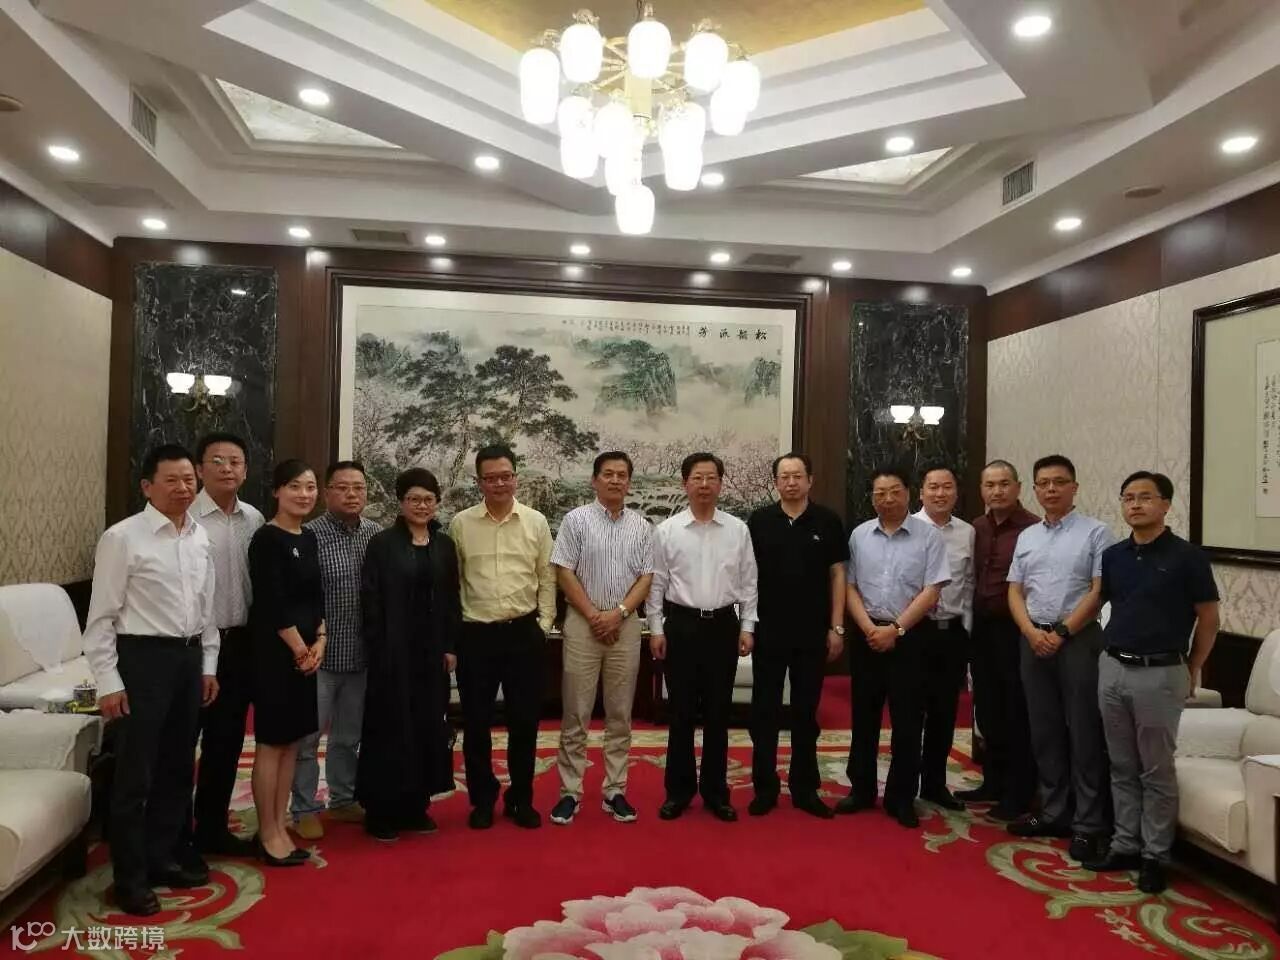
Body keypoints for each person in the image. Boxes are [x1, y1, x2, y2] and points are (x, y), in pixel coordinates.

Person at [83, 444, 220, 916]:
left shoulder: (199, 536)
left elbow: (207, 609)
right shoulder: (123, 538)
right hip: (142, 660)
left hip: (187, 658)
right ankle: (129, 877)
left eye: (189, 480)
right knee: (135, 774)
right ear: (147, 486)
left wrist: (208, 665)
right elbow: (101, 618)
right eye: (172, 480)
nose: (183, 488)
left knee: (178, 767)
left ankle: (162, 858)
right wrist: (108, 681)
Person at [1084, 471, 1220, 893]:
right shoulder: (1114, 555)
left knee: (1156, 769)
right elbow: (1104, 603)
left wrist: (1192, 667)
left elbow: (1209, 619)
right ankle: (1125, 844)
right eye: (1128, 497)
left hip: (1161, 671)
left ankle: (1155, 855)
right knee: (1121, 763)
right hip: (1113, 666)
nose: (1136, 504)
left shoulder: (1188, 557)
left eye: (1145, 497)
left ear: (1165, 505)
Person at [1006, 454, 1115, 863]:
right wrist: (1031, 632)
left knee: (1084, 730)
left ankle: (1088, 823)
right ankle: (1054, 811)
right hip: (1033, 639)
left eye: (1059, 482)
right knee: (1045, 728)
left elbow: (1099, 590)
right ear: (1034, 489)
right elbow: (1015, 590)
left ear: (1074, 487)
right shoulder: (1028, 536)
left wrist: (1063, 632)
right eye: (1044, 483)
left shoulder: (1096, 532)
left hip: (1079, 640)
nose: (1051, 489)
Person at [647, 452, 758, 823]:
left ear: (721, 484)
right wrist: (656, 629)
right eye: (697, 478)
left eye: (711, 478)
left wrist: (747, 627)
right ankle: (678, 792)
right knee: (680, 712)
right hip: (681, 626)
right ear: (685, 484)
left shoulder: (738, 530)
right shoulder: (668, 531)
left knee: (717, 713)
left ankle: (715, 793)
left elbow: (749, 583)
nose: (705, 485)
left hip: (723, 626)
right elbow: (657, 584)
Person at [450, 444, 556, 830]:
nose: (499, 483)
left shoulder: (535, 522)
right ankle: (482, 799)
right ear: (479, 481)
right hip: (476, 636)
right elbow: (454, 580)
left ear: (516, 478)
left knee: (524, 723)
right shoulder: (461, 523)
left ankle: (520, 799)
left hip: (523, 634)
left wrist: (543, 625)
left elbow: (547, 576)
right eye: (491, 478)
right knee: (476, 724)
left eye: (505, 476)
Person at [837, 466, 949, 829]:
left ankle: (901, 797)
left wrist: (896, 629)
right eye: (879, 493)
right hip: (868, 633)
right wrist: (869, 627)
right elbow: (849, 586)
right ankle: (861, 789)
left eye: (894, 491)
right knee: (863, 716)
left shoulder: (929, 537)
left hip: (911, 636)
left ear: (909, 493)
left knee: (907, 720)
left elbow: (933, 590)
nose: (887, 499)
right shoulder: (859, 535)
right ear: (872, 497)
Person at [356, 468, 463, 841]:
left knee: (427, 726)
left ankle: (416, 804)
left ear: (437, 503)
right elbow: (370, 600)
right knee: (390, 727)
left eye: (428, 499)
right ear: (400, 503)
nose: (422, 506)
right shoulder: (382, 544)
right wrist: (379, 646)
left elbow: (451, 599)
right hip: (392, 652)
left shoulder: (444, 545)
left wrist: (450, 646)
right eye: (414, 499)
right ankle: (381, 810)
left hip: (431, 654)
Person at [549, 452, 654, 826]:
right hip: (583, 623)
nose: (615, 480)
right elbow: (563, 570)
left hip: (625, 624)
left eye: (622, 475)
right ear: (594, 480)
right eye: (607, 474)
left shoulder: (642, 526)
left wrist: (619, 613)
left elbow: (646, 576)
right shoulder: (576, 520)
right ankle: (570, 793)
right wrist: (594, 615)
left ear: (629, 482)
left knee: (620, 712)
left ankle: (615, 790)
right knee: (575, 712)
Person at [746, 452, 847, 819]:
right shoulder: (759, 521)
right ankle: (765, 788)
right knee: (765, 712)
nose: (791, 482)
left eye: (797, 476)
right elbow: (747, 577)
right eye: (784, 477)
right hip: (768, 631)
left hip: (812, 633)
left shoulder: (828, 521)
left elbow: (838, 575)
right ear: (776, 482)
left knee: (806, 712)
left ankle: (805, 789)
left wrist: (837, 626)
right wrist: (747, 625)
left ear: (810, 480)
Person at [290, 461, 379, 840]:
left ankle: (342, 799)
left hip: (362, 656)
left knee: (348, 736)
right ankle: (304, 808)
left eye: (358, 487)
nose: (351, 494)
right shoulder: (308, 536)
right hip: (319, 657)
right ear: (326, 493)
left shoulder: (376, 535)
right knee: (307, 739)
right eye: (342, 487)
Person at [248, 459, 325, 866]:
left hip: (307, 652)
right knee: (271, 743)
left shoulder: (308, 537)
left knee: (293, 742)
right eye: (295, 486)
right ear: (277, 491)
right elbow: (273, 602)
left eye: (310, 486)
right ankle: (267, 833)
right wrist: (300, 649)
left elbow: (316, 597)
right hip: (277, 655)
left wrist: (321, 641)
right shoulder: (266, 539)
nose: (304, 494)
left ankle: (280, 825)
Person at [190, 432, 263, 857]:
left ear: (246, 470)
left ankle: (212, 828)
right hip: (192, 644)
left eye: (235, 461)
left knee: (226, 740)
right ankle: (171, 834)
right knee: (182, 741)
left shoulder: (254, 518)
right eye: (217, 460)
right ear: (200, 469)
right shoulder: (185, 517)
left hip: (239, 645)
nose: (227, 468)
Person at [956, 460, 1040, 820]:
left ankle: (1018, 793)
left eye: (1004, 484)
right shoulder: (976, 527)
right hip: (982, 628)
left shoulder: (1034, 529)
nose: (997, 491)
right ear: (981, 490)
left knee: (1016, 710)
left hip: (1016, 628)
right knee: (987, 709)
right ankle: (992, 781)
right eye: (990, 485)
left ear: (1018, 487)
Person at [911, 462, 974, 811]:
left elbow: (970, 585)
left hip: (951, 633)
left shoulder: (967, 533)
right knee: (909, 712)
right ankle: (905, 784)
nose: (939, 493)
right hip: (914, 632)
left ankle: (935, 784)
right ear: (921, 492)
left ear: (956, 492)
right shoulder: (908, 528)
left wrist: (968, 634)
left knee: (944, 712)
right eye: (932, 487)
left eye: (946, 487)